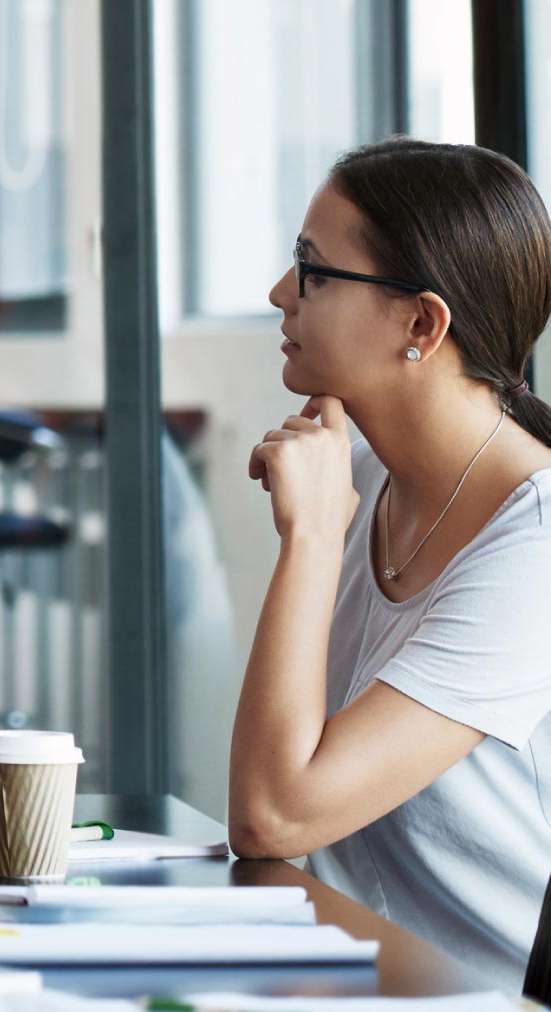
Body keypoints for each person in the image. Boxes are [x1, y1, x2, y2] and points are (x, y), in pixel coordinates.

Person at [236, 138, 551, 986]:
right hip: (348, 978)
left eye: (313, 270)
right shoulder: (363, 475)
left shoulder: (538, 550)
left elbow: (272, 815)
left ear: (421, 323)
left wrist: (308, 539)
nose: (279, 295)